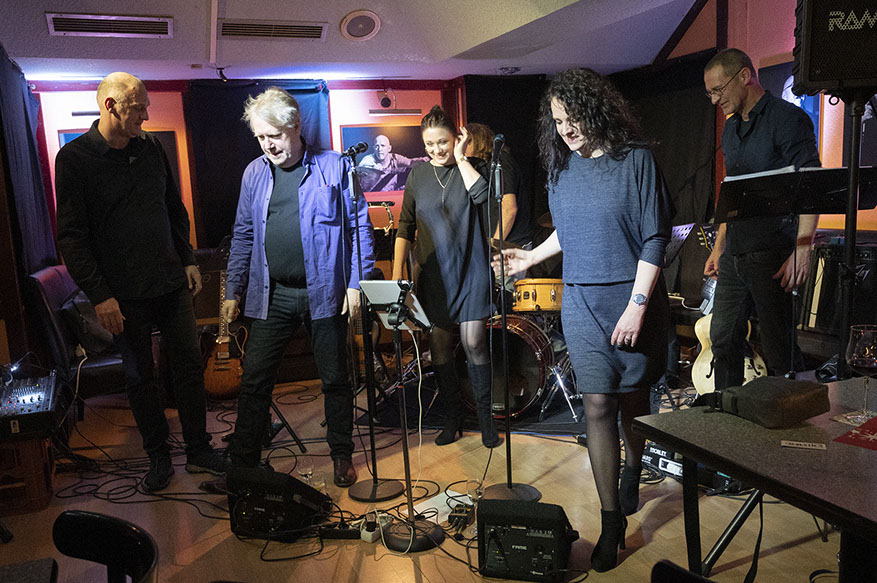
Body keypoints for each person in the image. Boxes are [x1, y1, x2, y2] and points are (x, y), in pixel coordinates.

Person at [494, 68, 672, 572]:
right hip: (582, 303)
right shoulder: (560, 168)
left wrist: (637, 305)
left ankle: (633, 467)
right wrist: (531, 258)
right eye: (557, 122)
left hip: (632, 299)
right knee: (596, 404)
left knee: (632, 401)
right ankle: (611, 520)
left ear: (596, 111)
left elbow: (655, 238)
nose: (565, 130)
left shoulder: (635, 160)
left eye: (572, 118)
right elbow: (570, 231)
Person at [55, 72, 227, 492]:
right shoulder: (74, 159)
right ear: (110, 105)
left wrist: (187, 258)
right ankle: (158, 457)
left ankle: (199, 450)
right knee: (139, 376)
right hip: (122, 294)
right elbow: (72, 237)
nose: (146, 116)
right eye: (139, 108)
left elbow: (173, 207)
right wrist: (100, 296)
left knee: (189, 366)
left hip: (170, 280)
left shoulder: (150, 148)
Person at [221, 87, 374, 488]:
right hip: (271, 295)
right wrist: (232, 289)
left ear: (295, 126)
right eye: (260, 137)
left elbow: (360, 227)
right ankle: (243, 466)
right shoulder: (254, 173)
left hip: (325, 293)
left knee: (335, 379)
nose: (267, 144)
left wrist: (356, 285)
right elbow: (243, 234)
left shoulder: (336, 167)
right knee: (254, 380)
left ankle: (341, 455)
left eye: (273, 135)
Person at [702, 49, 820, 392]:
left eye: (718, 90)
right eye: (710, 93)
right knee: (723, 338)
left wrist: (803, 247)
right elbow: (732, 193)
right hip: (735, 252)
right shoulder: (731, 129)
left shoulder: (787, 118)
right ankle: (726, 410)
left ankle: (795, 416)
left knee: (779, 350)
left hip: (772, 251)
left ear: (744, 76)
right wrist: (718, 248)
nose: (715, 100)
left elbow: (811, 184)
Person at [392, 106, 499, 448]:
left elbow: (482, 197)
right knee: (438, 346)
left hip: (472, 268)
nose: (436, 149)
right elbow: (405, 226)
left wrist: (462, 158)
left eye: (443, 142)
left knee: (474, 342)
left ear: (456, 137)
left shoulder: (474, 167)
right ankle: (453, 417)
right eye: (430, 144)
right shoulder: (418, 176)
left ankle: (486, 419)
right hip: (435, 274)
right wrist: (396, 276)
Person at [465, 123, 534, 250]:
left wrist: (494, 245)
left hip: (512, 245)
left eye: (467, 143)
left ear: (479, 141)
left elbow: (509, 208)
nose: (463, 148)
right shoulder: (482, 168)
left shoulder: (500, 162)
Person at [356, 134, 427, 191]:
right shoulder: (368, 160)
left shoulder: (395, 158)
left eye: (383, 146)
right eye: (377, 146)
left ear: (389, 148)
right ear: (374, 148)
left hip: (390, 195)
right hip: (373, 197)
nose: (380, 149)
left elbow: (410, 162)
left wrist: (424, 160)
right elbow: (362, 169)